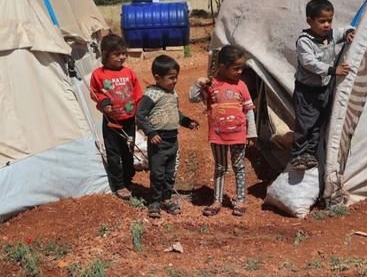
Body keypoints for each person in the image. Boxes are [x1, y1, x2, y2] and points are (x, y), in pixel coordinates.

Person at [189, 45, 257, 217]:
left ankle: (240, 200)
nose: (240, 71)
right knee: (220, 167)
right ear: (222, 66)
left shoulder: (242, 86)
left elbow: (248, 110)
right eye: (235, 68)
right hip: (218, 135)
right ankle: (217, 200)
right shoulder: (211, 85)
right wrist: (198, 83)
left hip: (238, 135)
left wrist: (251, 133)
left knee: (239, 167)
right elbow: (192, 97)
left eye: (242, 67)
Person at [291, 0, 355, 170]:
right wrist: (333, 70)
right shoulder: (305, 41)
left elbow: (346, 29)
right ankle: (299, 155)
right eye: (322, 21)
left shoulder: (331, 34)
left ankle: (310, 154)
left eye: (330, 20)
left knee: (318, 122)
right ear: (309, 21)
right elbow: (309, 63)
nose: (327, 25)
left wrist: (349, 32)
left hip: (323, 89)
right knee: (305, 123)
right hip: (306, 91)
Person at [136, 55, 198, 219]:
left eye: (176, 77)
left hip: (172, 140)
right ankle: (155, 201)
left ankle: (167, 198)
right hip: (158, 141)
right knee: (158, 173)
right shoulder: (152, 94)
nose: (175, 80)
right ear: (158, 78)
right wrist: (151, 132)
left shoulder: (173, 93)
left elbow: (175, 113)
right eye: (171, 78)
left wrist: (187, 122)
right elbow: (140, 116)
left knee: (170, 173)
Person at [90, 34, 143, 200]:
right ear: (105, 54)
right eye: (117, 54)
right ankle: (118, 184)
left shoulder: (129, 73)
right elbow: (95, 92)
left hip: (128, 119)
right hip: (111, 122)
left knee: (128, 150)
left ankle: (128, 179)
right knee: (114, 153)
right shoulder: (99, 74)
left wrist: (139, 113)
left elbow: (137, 93)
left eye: (123, 53)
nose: (122, 57)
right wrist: (104, 102)